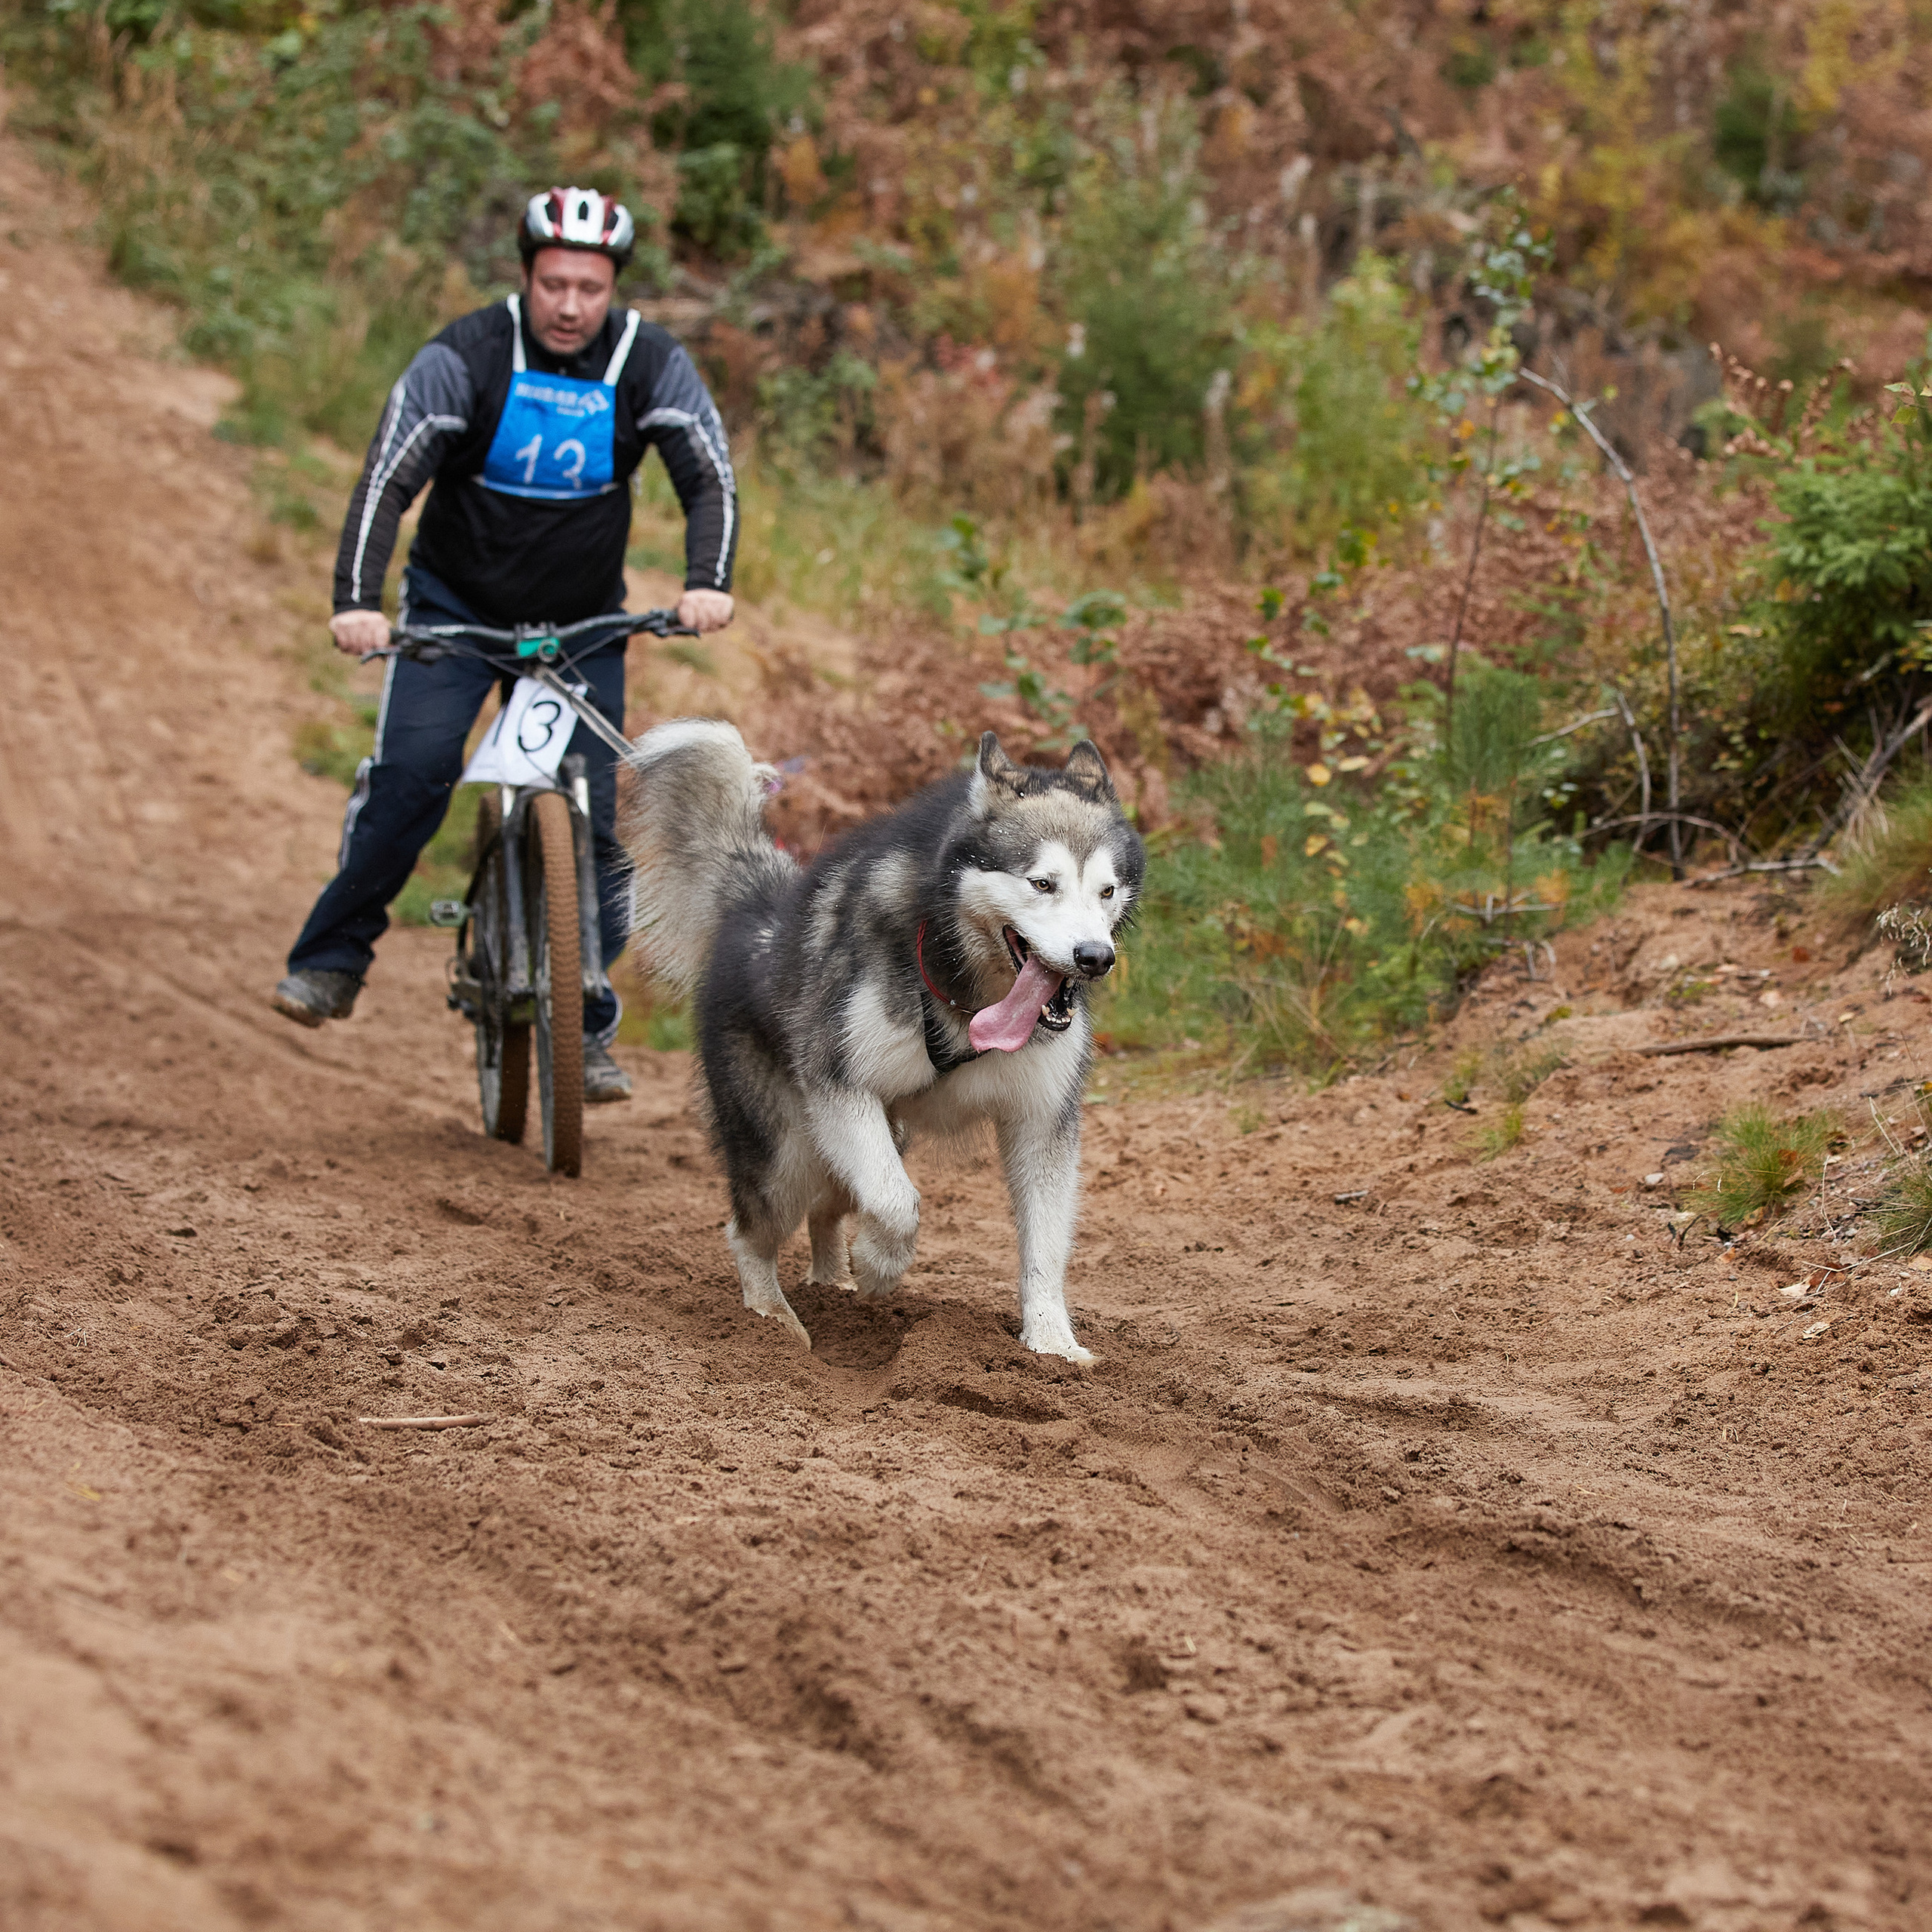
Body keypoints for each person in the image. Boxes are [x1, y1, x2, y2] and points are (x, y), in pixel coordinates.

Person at [272, 186, 737, 1103]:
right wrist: (357, 601)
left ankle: (586, 1023)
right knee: (411, 776)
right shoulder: (466, 355)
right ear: (525, 278)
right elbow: (388, 475)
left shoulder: (649, 360)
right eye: (554, 283)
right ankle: (332, 957)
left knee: (602, 821)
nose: (571, 306)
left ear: (614, 290)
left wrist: (706, 581)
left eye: (590, 288)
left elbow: (708, 474)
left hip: (581, 624)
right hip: (454, 611)